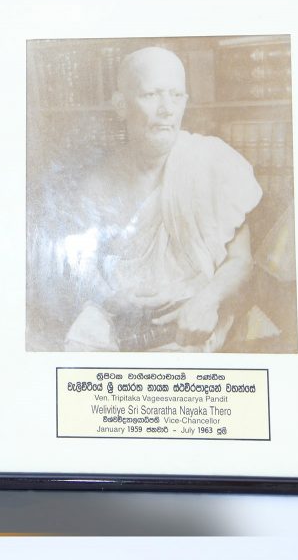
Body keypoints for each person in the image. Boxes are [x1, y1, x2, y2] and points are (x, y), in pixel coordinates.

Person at [63, 47, 261, 352]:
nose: (167, 109)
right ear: (121, 105)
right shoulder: (98, 182)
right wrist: (111, 298)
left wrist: (207, 301)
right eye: (151, 95)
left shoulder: (213, 162)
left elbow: (241, 261)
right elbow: (82, 264)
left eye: (176, 95)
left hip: (193, 312)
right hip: (122, 318)